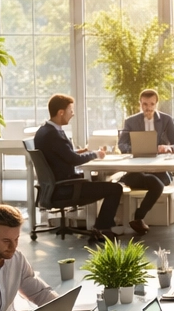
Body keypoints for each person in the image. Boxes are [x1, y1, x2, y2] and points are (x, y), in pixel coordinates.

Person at [33, 94, 122, 241]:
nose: (72, 114)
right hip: (65, 189)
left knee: (99, 180)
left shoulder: (44, 131)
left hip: (55, 186)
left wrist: (82, 151)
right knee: (115, 188)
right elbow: (73, 160)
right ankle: (102, 229)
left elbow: (60, 155)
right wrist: (96, 154)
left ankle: (100, 227)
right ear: (61, 112)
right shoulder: (53, 134)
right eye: (71, 111)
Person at [115, 88, 174, 236]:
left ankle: (138, 217)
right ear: (140, 103)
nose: (148, 108)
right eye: (145, 104)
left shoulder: (166, 120)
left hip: (160, 171)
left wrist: (169, 148)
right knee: (154, 183)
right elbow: (122, 145)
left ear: (156, 104)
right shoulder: (131, 121)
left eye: (152, 104)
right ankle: (138, 218)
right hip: (138, 170)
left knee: (156, 181)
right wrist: (135, 150)